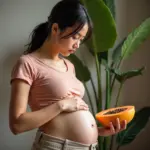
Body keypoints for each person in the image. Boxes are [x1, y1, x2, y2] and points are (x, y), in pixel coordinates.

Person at [9, 0, 127, 149]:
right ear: (55, 28)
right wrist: (62, 105)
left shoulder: (70, 66)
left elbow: (68, 122)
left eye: (81, 39)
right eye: (75, 37)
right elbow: (17, 124)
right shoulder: (27, 63)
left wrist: (98, 131)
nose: (78, 44)